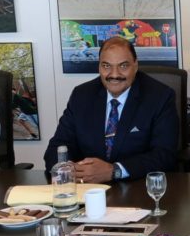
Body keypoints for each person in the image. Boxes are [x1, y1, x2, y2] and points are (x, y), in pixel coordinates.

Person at [45, 36, 178, 183]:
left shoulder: (160, 97)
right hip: (88, 188)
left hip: (138, 187)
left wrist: (115, 171)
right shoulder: (81, 95)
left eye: (123, 66)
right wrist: (69, 171)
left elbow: (164, 154)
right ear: (99, 67)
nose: (114, 74)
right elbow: (58, 146)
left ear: (135, 66)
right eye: (106, 66)